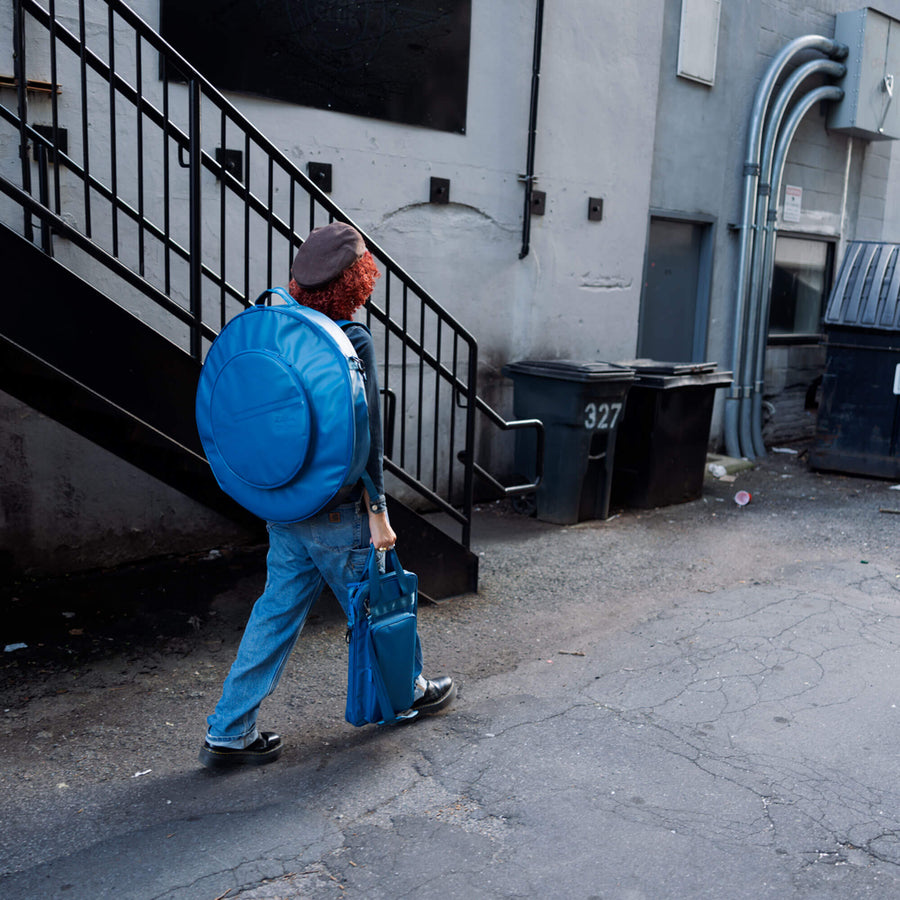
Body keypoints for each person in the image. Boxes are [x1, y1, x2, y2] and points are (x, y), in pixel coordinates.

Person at [199, 222, 456, 769]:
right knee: (378, 604)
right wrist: (380, 513)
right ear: (357, 281)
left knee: (274, 614)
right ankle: (406, 689)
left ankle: (228, 728)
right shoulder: (350, 339)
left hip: (286, 506)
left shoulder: (278, 326)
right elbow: (368, 442)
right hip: (341, 514)